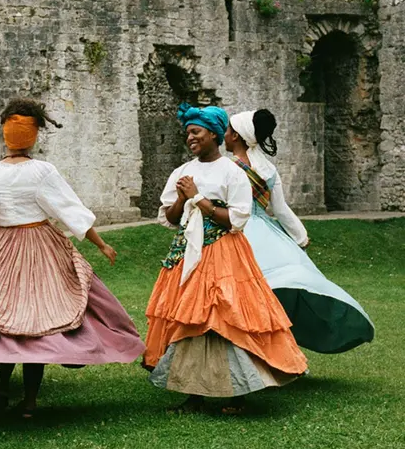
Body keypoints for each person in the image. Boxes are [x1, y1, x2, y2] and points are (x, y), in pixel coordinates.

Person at [0, 98, 145, 418]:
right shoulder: (42, 171)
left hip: (0, 249)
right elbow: (68, 209)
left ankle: (0, 386)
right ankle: (29, 400)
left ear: (5, 135)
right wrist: (99, 243)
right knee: (39, 318)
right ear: (34, 137)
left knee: (0, 316)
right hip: (40, 246)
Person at [143, 103, 308, 413]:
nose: (190, 138)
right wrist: (181, 198)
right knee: (190, 317)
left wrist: (199, 199)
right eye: (188, 133)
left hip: (223, 251)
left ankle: (237, 393)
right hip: (188, 249)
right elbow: (170, 218)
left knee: (225, 315)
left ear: (214, 134)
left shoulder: (232, 172)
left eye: (196, 132)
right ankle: (193, 392)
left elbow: (237, 219)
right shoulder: (181, 172)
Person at [224, 109, 374, 353]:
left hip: (234, 229)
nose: (225, 134)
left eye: (229, 130)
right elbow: (281, 210)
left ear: (237, 136)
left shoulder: (226, 169)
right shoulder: (268, 170)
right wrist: (300, 236)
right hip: (265, 233)